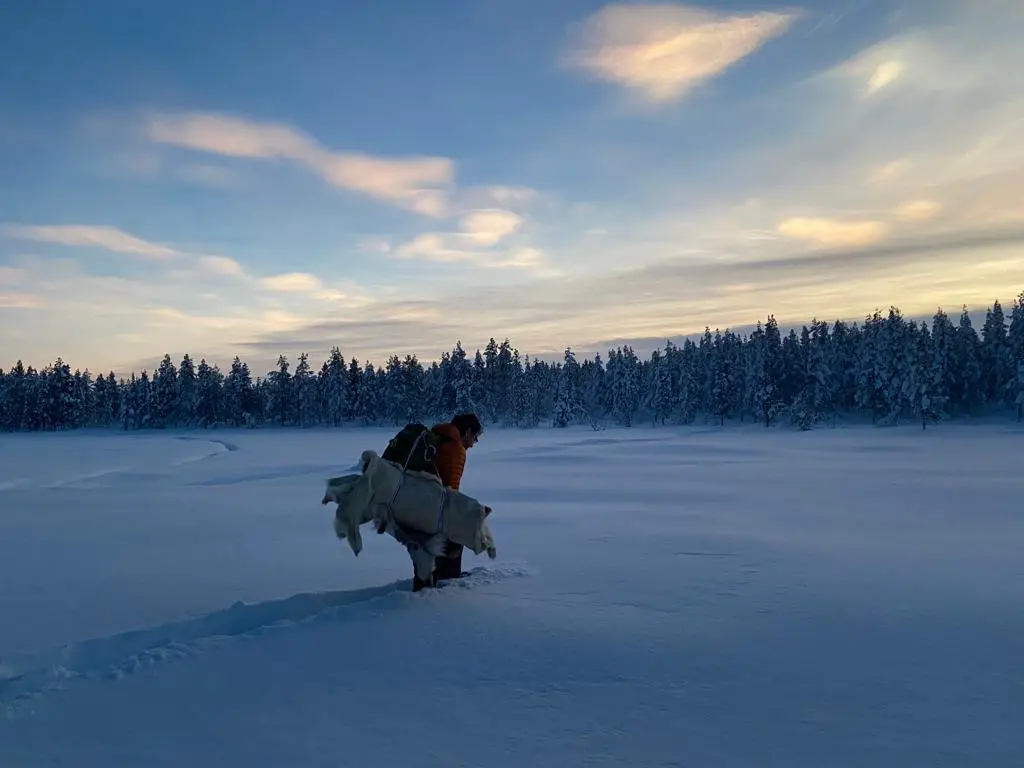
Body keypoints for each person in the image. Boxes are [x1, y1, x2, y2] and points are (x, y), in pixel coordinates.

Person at [412, 412, 483, 590]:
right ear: (467, 432)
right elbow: (451, 492)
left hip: (412, 503)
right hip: (430, 507)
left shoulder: (437, 437)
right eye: (475, 437)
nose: (474, 444)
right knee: (455, 533)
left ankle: (428, 583)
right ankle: (448, 584)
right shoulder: (456, 448)